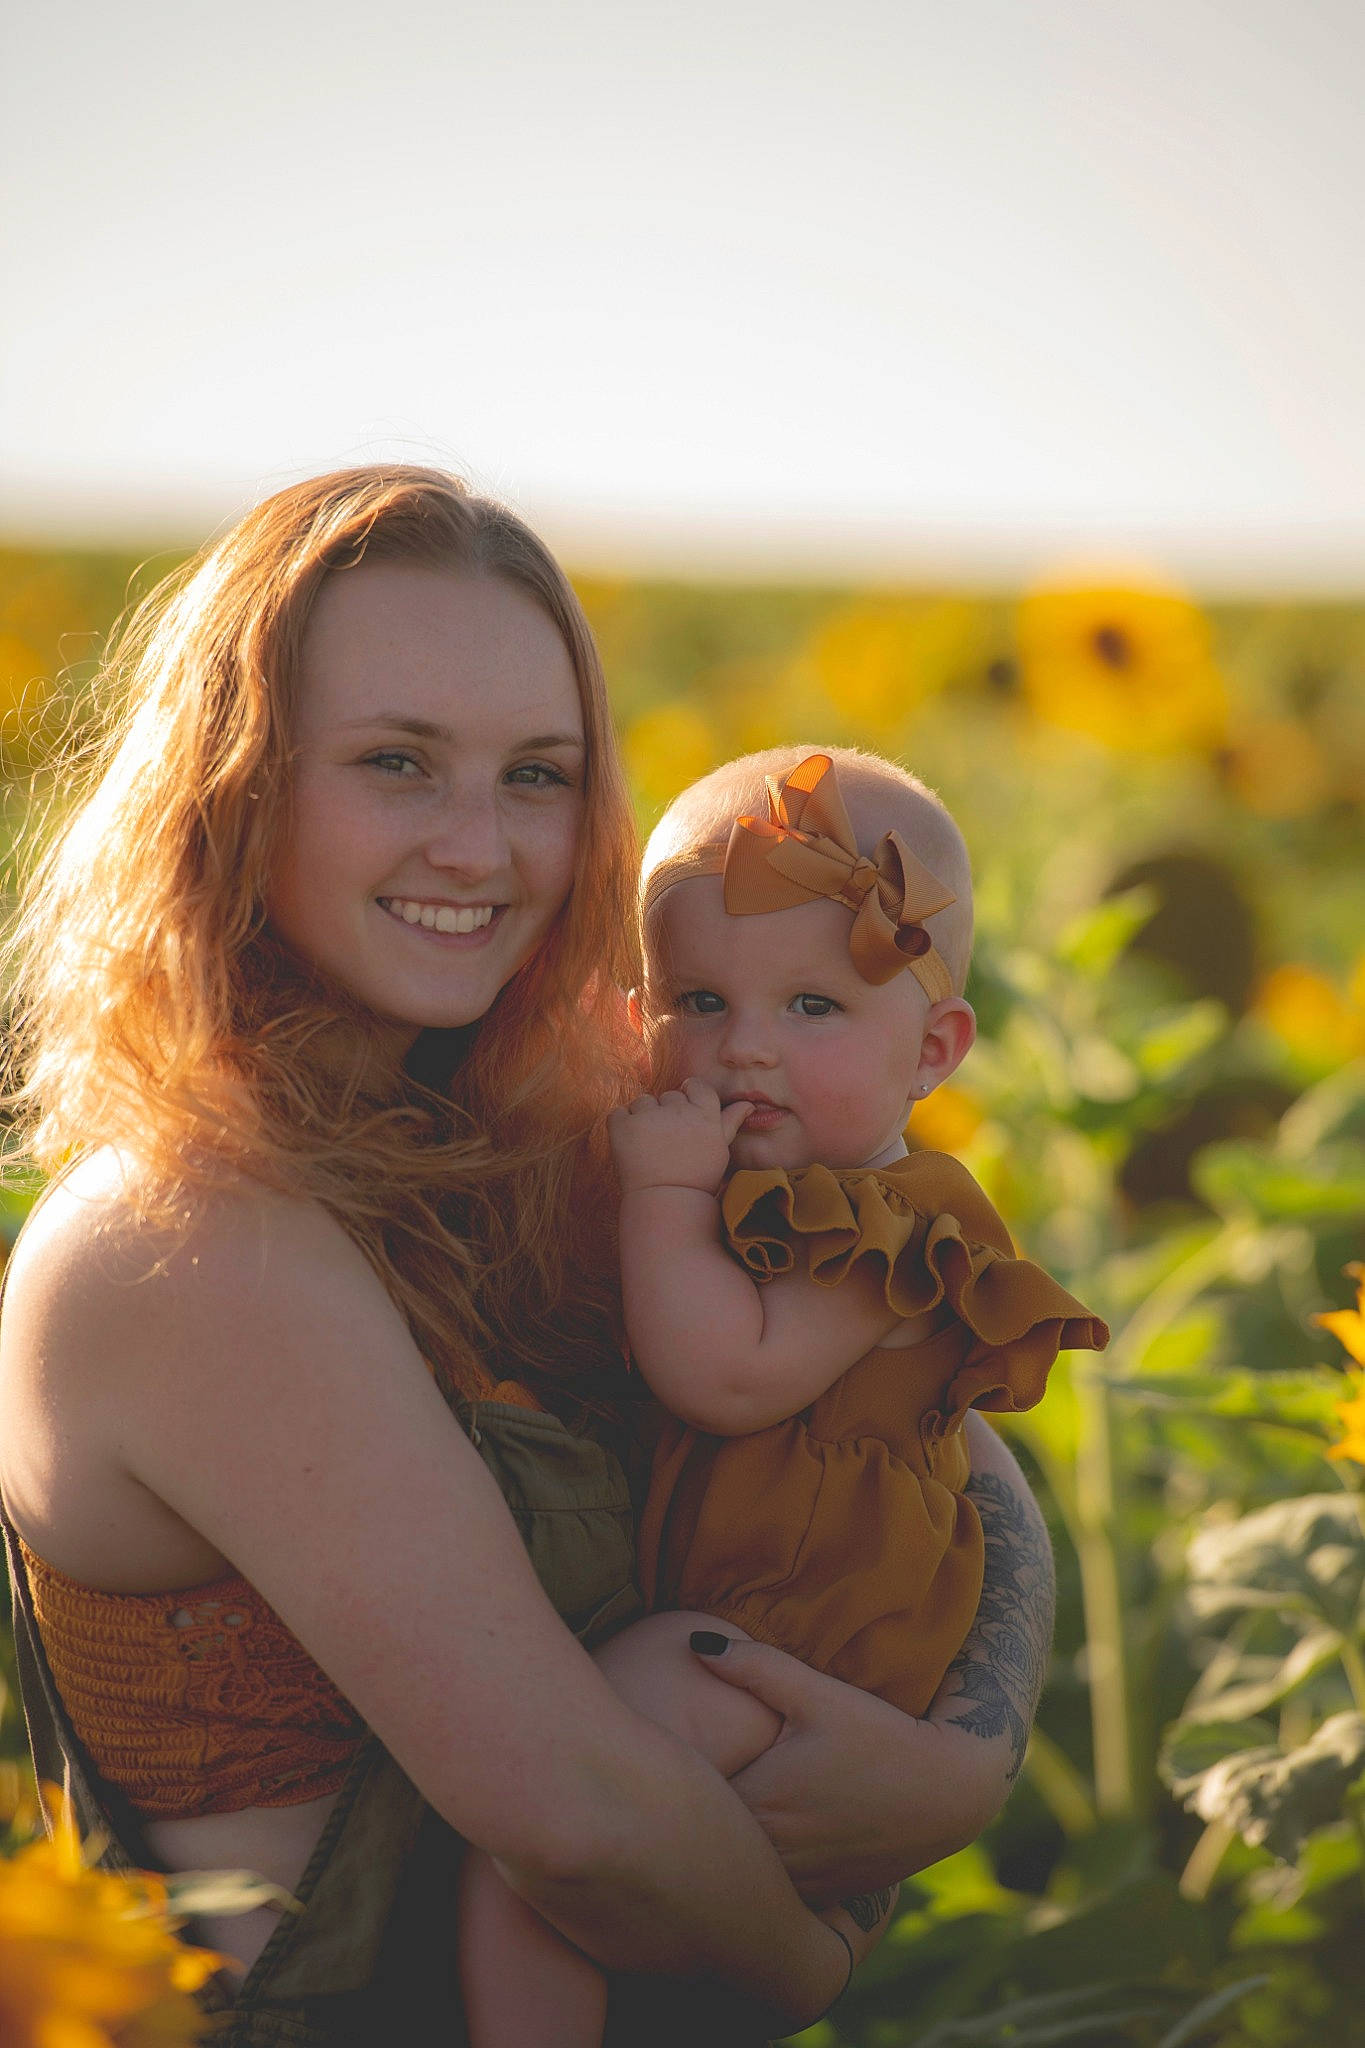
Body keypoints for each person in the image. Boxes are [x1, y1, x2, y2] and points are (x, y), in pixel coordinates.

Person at [0, 470, 1056, 2047]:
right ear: (232, 787)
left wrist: (969, 1753)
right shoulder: (183, 1242)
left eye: (538, 774)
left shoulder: (569, 1136)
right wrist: (815, 1970)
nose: (479, 845)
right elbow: (573, 1817)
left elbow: (945, 1435)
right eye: (396, 763)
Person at [455, 746, 1108, 2045]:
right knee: (613, 1909)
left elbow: (729, 1374)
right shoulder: (760, 1184)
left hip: (810, 1635)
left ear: (933, 1050)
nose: (742, 1048)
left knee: (547, 1828)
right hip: (756, 1611)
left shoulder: (898, 1228)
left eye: (812, 1009)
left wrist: (661, 1195)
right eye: (696, 998)